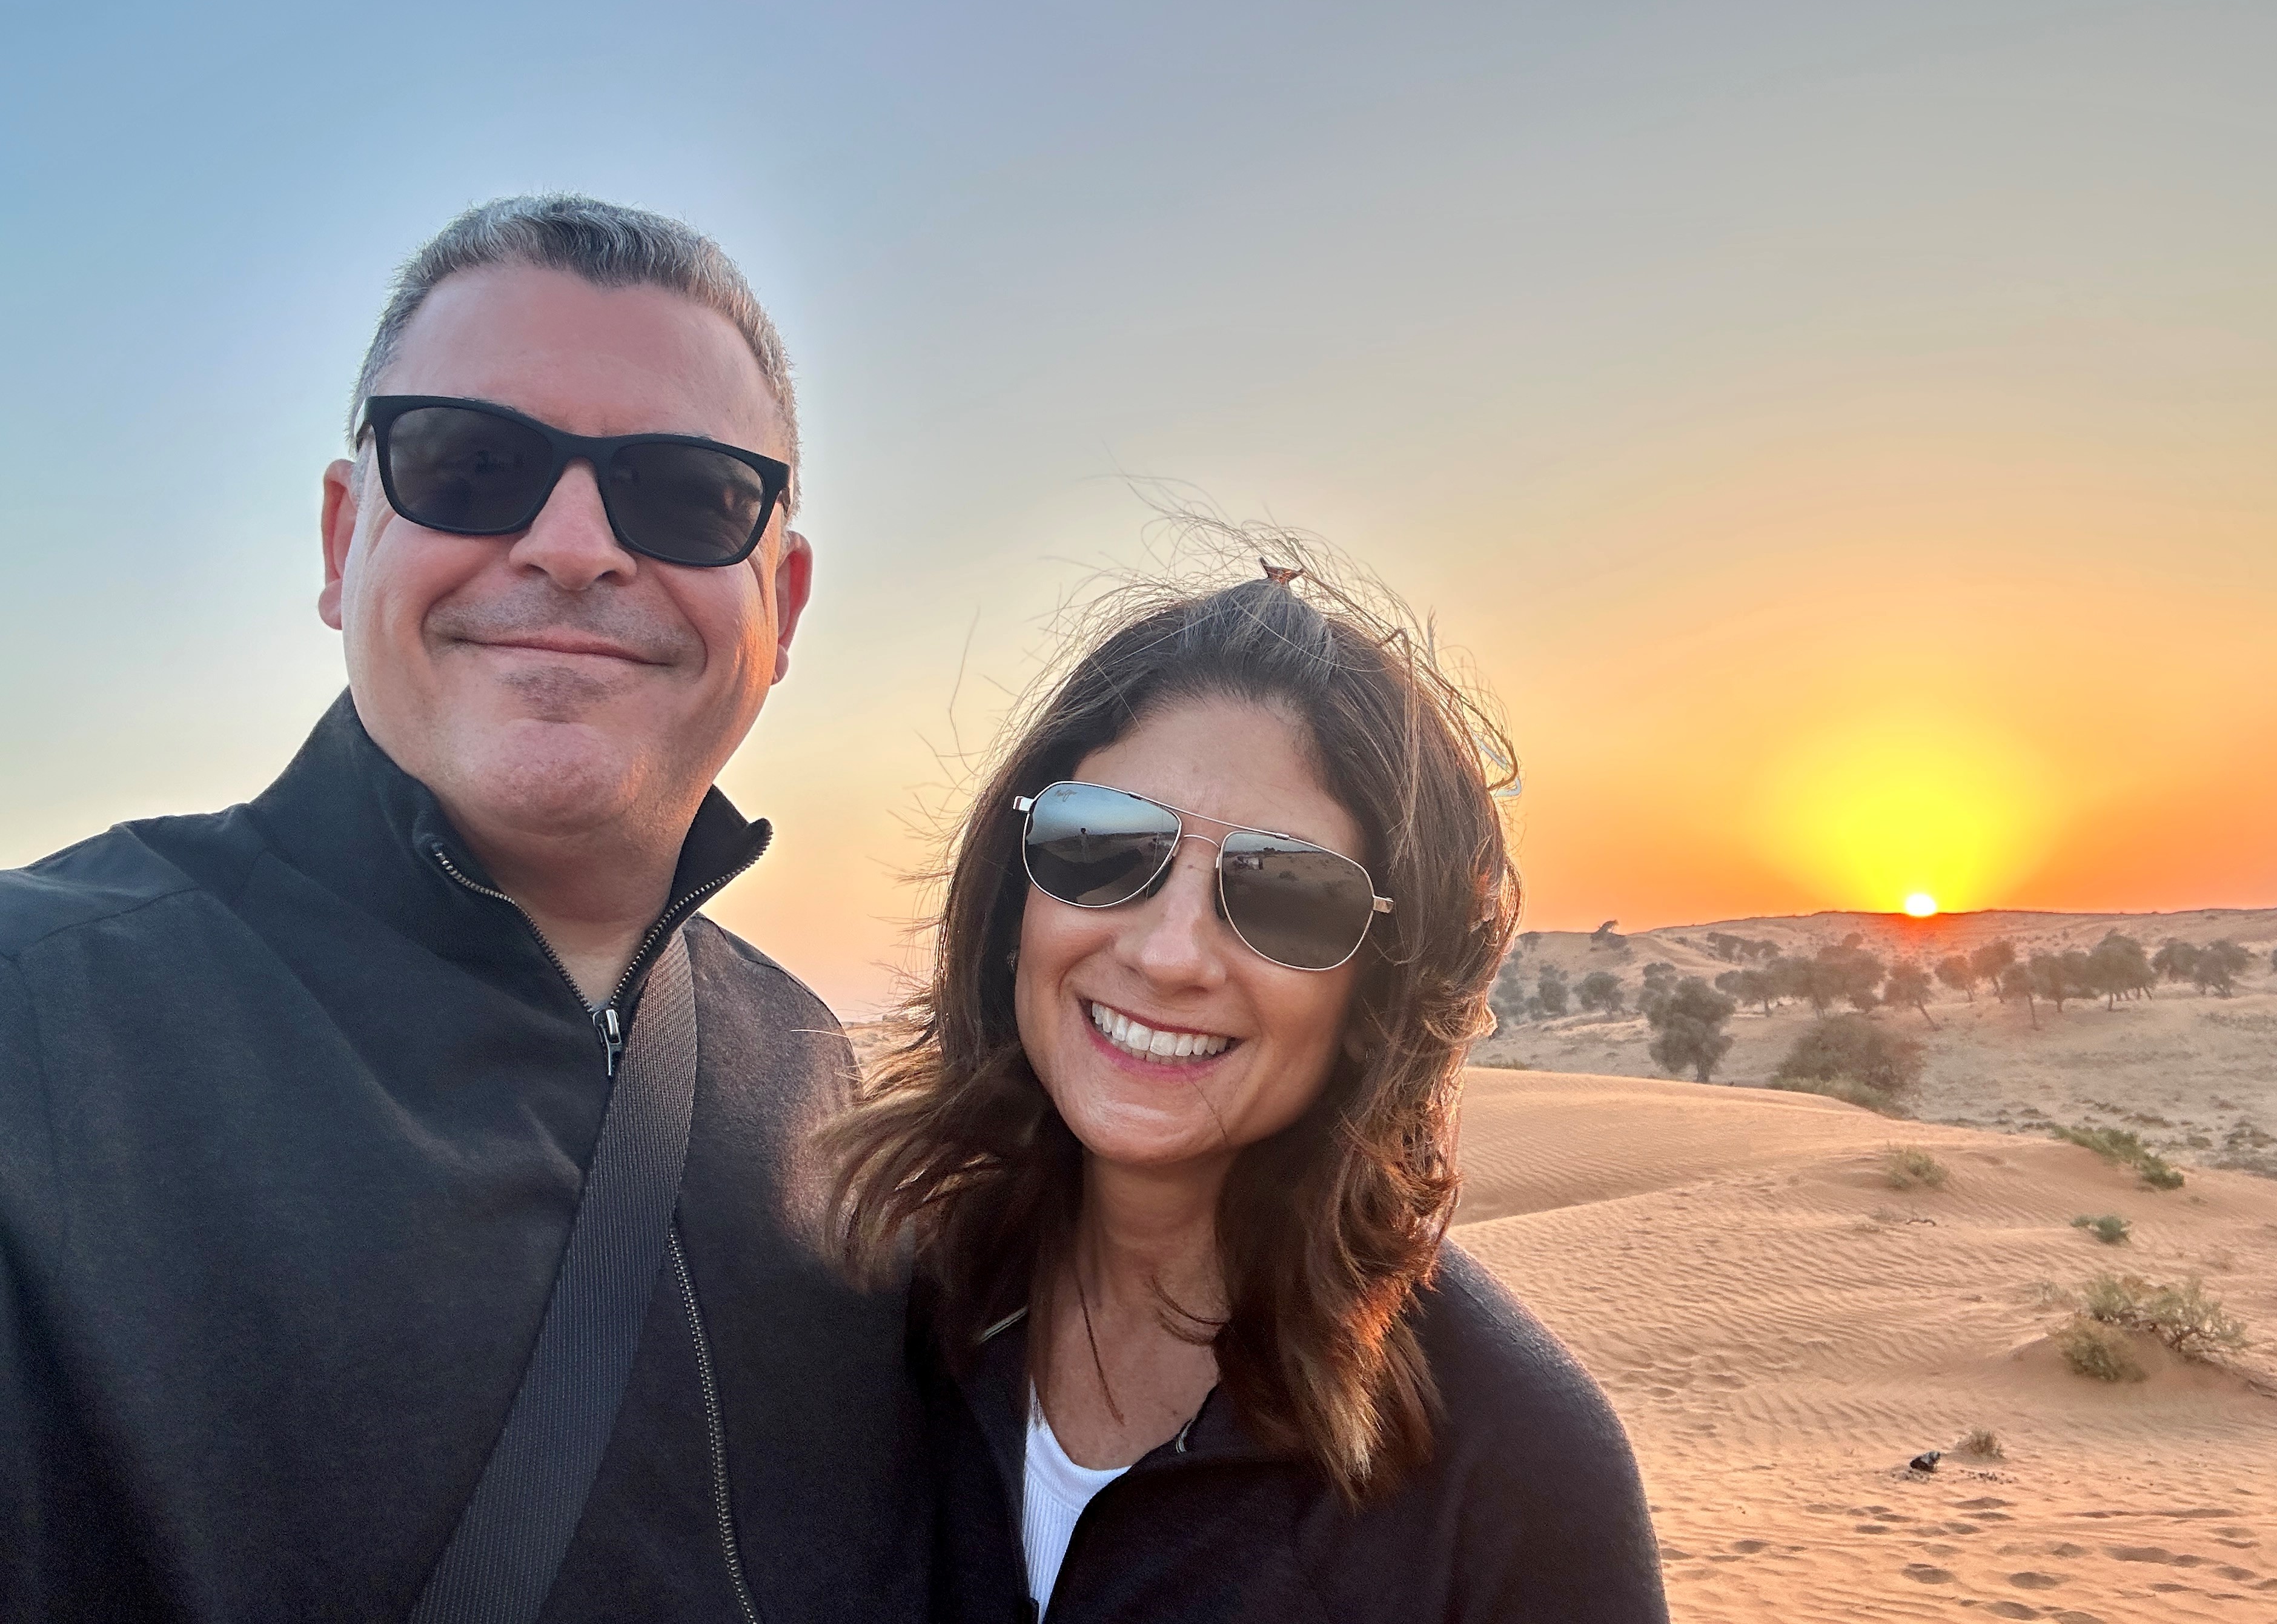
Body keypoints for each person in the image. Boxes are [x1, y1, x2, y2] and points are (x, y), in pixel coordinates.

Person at [0, 196, 929, 1622]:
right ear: (342, 538)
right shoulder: (39, 1026)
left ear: (782, 605)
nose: (572, 545)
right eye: (471, 463)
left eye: (687, 493)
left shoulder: (807, 1070)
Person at [821, 565, 1670, 1622]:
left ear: (1377, 993)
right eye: (1102, 843)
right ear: (1013, 898)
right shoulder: (871, 1313)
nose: (1170, 953)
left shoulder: (1514, 1477)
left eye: (1286, 893)